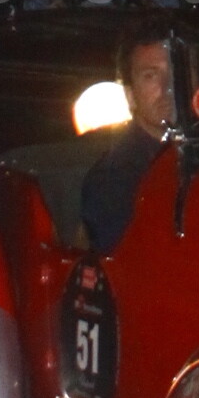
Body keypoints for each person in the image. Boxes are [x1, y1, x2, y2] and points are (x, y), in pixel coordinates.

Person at [80, 23, 178, 253]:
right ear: (130, 95)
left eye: (177, 72)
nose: (168, 87)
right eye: (150, 76)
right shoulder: (114, 178)